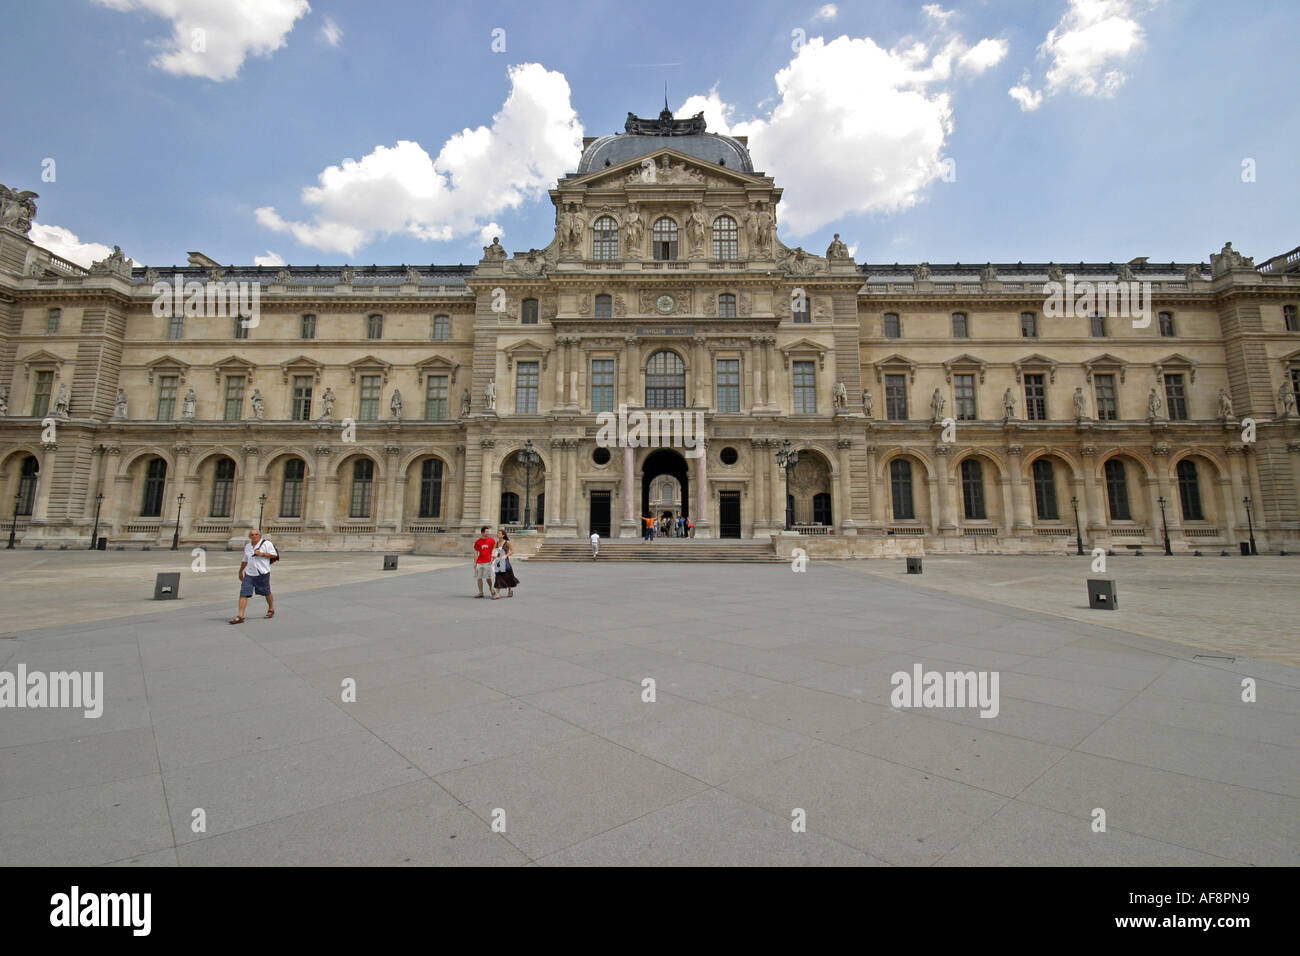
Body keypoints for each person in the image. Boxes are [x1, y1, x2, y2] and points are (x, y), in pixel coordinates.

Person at [229, 528, 276, 624]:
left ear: (260, 535)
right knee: (243, 593)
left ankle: (271, 608)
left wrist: (262, 554)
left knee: (266, 592)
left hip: (262, 573)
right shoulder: (248, 546)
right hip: (249, 573)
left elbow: (274, 555)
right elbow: (245, 560)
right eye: (252, 535)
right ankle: (240, 616)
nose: (254, 536)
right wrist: (240, 571)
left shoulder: (267, 544)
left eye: (256, 534)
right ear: (249, 537)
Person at [473, 526, 498, 599]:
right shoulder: (478, 542)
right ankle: (481, 592)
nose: (488, 533)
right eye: (487, 531)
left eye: (488, 531)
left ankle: (491, 588)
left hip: (488, 561)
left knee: (488, 577)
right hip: (479, 561)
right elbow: (475, 552)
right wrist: (475, 562)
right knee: (479, 577)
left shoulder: (492, 540)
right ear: (482, 532)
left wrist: (493, 558)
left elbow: (495, 549)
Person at [494, 528, 519, 597]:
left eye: (499, 533)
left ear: (503, 535)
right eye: (497, 533)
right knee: (498, 576)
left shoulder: (507, 542)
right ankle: (497, 594)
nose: (497, 534)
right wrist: (494, 557)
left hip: (505, 561)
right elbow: (495, 552)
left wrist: (506, 555)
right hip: (498, 562)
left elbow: (512, 551)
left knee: (508, 576)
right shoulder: (496, 543)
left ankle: (510, 590)